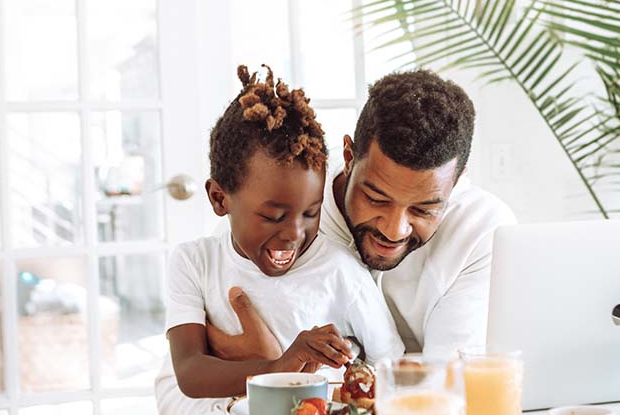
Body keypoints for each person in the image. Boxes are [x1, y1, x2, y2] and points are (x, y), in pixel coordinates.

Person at [208, 69, 516, 361]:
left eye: (423, 209)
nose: (394, 231)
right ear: (348, 157)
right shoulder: (283, 215)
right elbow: (177, 389)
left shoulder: (483, 231)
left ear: (457, 182)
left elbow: (452, 387)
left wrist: (277, 369)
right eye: (376, 199)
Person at [155, 65, 403, 415]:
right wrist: (282, 364)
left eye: (310, 213)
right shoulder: (195, 262)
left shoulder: (339, 270)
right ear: (219, 199)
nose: (293, 234)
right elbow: (191, 373)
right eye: (273, 216)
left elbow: (390, 362)